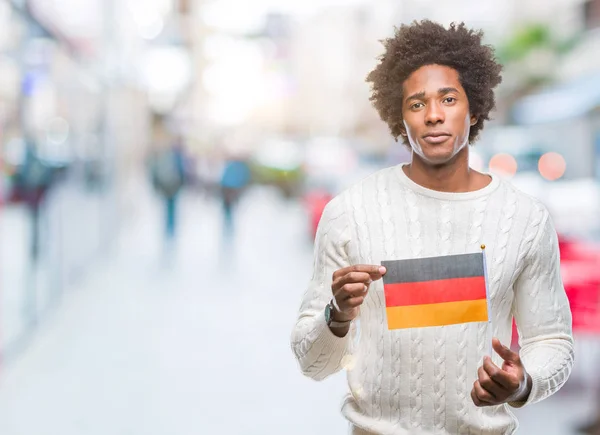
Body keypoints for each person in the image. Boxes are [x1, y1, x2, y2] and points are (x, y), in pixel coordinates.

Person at [290, 20, 573, 434]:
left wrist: (522, 382)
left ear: (473, 108)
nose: (434, 115)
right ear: (399, 118)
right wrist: (337, 315)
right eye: (417, 104)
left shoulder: (524, 218)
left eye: (449, 98)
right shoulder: (349, 213)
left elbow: (553, 341)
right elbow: (312, 363)